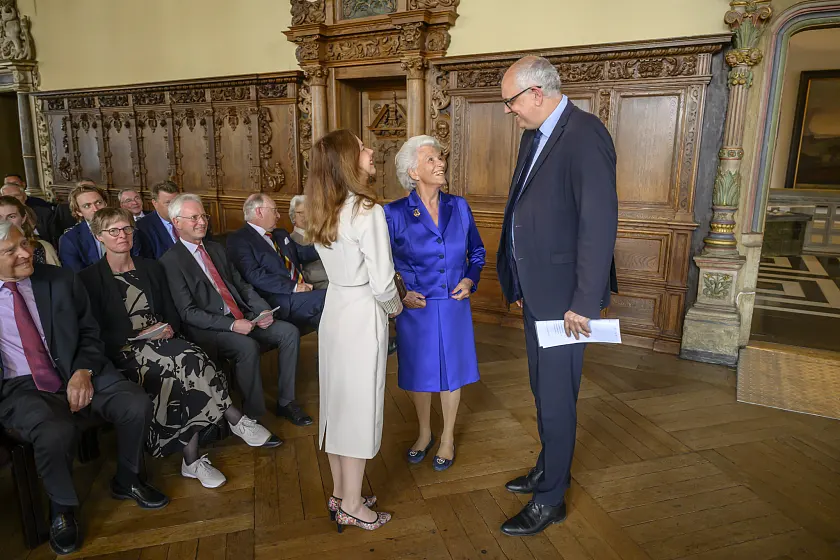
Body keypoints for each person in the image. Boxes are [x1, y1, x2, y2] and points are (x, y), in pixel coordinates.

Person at [497, 56, 618, 536]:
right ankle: (550, 469)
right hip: (538, 293)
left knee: (557, 397)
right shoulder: (535, 135)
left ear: (536, 94)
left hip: (568, 303)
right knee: (543, 392)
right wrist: (521, 282)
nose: (509, 111)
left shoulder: (585, 133)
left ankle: (551, 501)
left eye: (510, 101)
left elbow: (598, 222)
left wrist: (584, 304)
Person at [79, 208, 280, 489]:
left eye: (126, 229)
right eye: (113, 230)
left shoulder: (150, 267)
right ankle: (232, 420)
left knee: (187, 365)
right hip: (127, 350)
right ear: (99, 236)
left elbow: (172, 311)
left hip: (166, 342)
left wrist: (166, 328)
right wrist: (139, 335)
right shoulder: (88, 279)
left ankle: (193, 461)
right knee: (187, 363)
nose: (122, 235)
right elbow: (96, 330)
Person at [0, 222, 169, 556]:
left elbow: (90, 334)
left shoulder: (59, 279)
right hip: (20, 385)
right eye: (10, 251)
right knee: (54, 429)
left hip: (75, 367)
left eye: (26, 243)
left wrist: (83, 370)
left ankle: (128, 478)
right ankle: (62, 508)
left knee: (133, 402)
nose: (25, 253)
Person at [305, 129, 402, 532]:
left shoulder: (324, 208)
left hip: (335, 310)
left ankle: (342, 492)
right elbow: (382, 283)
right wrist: (396, 312)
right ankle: (351, 505)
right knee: (359, 409)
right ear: (347, 160)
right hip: (362, 311)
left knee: (336, 407)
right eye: (362, 147)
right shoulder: (366, 210)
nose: (370, 150)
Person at [159, 194, 308, 427]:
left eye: (204, 216)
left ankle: (286, 402)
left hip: (244, 316)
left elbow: (242, 286)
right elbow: (188, 312)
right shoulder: (170, 261)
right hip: (211, 329)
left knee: (288, 332)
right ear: (177, 223)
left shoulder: (216, 249)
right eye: (194, 218)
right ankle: (254, 417)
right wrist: (231, 325)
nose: (202, 222)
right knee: (246, 346)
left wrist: (263, 310)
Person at [385, 135, 485, 471]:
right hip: (417, 307)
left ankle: (447, 438)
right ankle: (425, 433)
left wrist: (470, 278)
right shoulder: (394, 213)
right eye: (431, 159)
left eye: (440, 158)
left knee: (451, 373)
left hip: (455, 304)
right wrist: (400, 291)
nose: (440, 163)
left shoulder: (459, 206)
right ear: (413, 171)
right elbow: (382, 262)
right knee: (420, 372)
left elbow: (478, 252)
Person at [227, 193, 326, 341]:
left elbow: (301, 254)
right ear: (259, 211)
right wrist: (294, 287)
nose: (279, 215)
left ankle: (328, 362)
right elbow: (255, 275)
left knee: (325, 318)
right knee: (331, 297)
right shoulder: (240, 240)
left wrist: (329, 245)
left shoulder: (280, 234)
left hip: (300, 295)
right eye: (274, 210)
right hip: (278, 299)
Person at [58, 183, 144, 272]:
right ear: (79, 212)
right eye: (87, 206)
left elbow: (138, 263)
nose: (95, 209)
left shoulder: (127, 230)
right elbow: (76, 276)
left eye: (98, 202)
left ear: (105, 203)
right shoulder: (69, 240)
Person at [0, 195, 60, 266]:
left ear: (23, 219)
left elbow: (58, 276)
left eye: (11, 216)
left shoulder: (43, 247)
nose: (4, 221)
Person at [288, 195, 329, 290]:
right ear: (293, 216)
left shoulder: (323, 235)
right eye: (301, 213)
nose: (306, 216)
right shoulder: (291, 240)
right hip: (318, 284)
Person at [1, 181, 57, 246]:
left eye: (17, 195)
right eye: (8, 197)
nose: (13, 199)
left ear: (25, 197)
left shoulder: (44, 213)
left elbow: (55, 240)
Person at [135, 180, 181, 259]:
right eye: (168, 203)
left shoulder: (191, 219)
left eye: (176, 202)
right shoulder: (142, 228)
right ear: (154, 203)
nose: (174, 207)